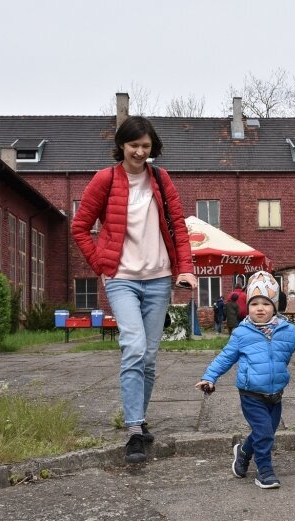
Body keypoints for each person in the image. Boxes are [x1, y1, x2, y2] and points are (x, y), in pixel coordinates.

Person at [71, 115, 197, 465]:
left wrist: (185, 269)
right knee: (134, 347)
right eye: (134, 146)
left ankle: (138, 422)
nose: (140, 152)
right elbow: (80, 227)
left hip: (158, 279)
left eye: (146, 146)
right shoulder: (105, 180)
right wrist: (102, 266)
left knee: (151, 357)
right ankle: (133, 431)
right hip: (122, 278)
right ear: (121, 146)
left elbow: (179, 229)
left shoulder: (161, 179)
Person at [196, 271, 295, 489]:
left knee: (263, 433)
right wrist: (209, 377)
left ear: (274, 306)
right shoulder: (241, 333)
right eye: (254, 303)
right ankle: (264, 470)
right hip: (251, 394)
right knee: (265, 434)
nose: (259, 308)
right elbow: (225, 358)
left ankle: (243, 452)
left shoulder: (288, 331)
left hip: (275, 395)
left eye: (265, 303)